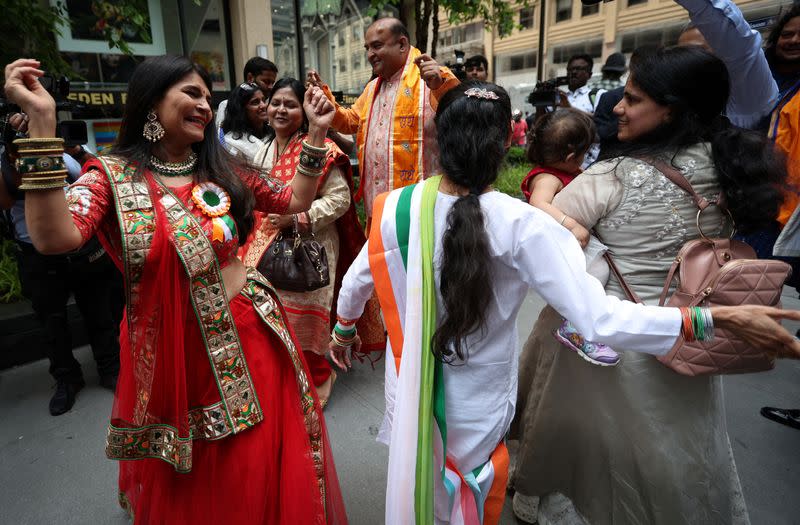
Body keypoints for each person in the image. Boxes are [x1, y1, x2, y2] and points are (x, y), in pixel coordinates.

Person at [327, 82, 800, 525]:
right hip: (478, 402)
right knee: (465, 490)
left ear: (436, 139)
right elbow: (598, 318)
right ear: (503, 146)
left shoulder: (393, 209)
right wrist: (712, 317)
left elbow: (356, 282)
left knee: (418, 479)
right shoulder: (525, 225)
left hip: (407, 383)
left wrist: (344, 331)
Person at [4, 55, 346, 523]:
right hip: (172, 352)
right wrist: (43, 125)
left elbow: (294, 199)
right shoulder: (112, 177)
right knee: (193, 469)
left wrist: (319, 134)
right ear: (150, 101)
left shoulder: (222, 169)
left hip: (249, 335)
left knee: (251, 457)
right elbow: (53, 237)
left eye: (208, 96)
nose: (205, 104)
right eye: (191, 93)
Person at [510, 46, 790, 525]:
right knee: (674, 448)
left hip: (600, 340)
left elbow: (545, 240)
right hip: (688, 335)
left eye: (633, 99)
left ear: (672, 109)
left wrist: (552, 210)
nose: (617, 106)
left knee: (593, 454)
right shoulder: (734, 167)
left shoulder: (613, 177)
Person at [240, 77, 384, 407]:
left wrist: (298, 218)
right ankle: (283, 375)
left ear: (303, 112)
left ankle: (319, 379)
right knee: (269, 314)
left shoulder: (324, 149)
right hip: (264, 244)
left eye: (289, 104)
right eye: (275, 102)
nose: (279, 109)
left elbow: (340, 199)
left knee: (306, 319)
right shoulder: (262, 149)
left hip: (311, 249)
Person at [1, 126, 122, 416]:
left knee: (99, 312)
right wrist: (15, 150)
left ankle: (110, 367)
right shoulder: (7, 155)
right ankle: (67, 379)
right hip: (37, 253)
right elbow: (5, 199)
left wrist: (75, 150)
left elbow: (99, 181)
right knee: (52, 322)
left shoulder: (63, 149)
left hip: (82, 248)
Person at [306, 17, 460, 223]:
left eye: (377, 46)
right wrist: (325, 99)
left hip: (420, 210)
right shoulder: (372, 88)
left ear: (402, 44)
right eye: (367, 48)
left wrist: (440, 84)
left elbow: (462, 116)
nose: (370, 54)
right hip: (378, 206)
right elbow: (350, 121)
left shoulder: (433, 78)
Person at [521, 108, 619, 366]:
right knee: (596, 273)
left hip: (569, 243)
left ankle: (582, 322)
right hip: (559, 245)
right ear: (571, 156)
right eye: (584, 154)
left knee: (597, 274)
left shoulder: (562, 172)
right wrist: (571, 224)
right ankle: (575, 326)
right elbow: (538, 204)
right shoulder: (546, 177)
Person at [215, 56, 278, 129]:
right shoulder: (227, 105)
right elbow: (221, 136)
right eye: (266, 82)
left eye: (272, 83)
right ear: (250, 78)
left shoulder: (272, 106)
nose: (271, 87)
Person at [220, 82, 271, 162]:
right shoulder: (231, 143)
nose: (263, 105)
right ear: (241, 109)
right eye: (255, 102)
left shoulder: (274, 133)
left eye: (263, 100)